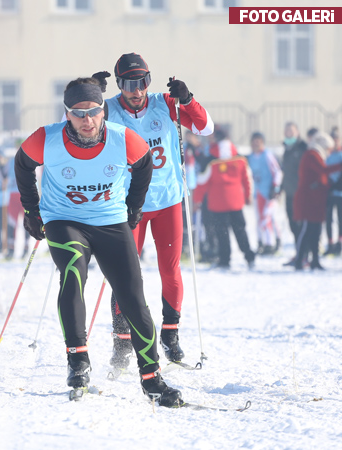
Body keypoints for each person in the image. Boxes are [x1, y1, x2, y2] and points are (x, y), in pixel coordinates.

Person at [14, 76, 182, 406]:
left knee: (133, 294)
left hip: (109, 220)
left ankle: (152, 378)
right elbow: (22, 163)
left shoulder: (123, 139)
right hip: (64, 221)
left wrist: (134, 205)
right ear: (67, 114)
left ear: (103, 110)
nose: (87, 120)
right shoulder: (47, 139)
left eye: (93, 111)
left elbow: (145, 163)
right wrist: (32, 209)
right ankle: (78, 361)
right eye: (78, 113)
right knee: (74, 272)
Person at [94, 53, 214, 366]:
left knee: (170, 270)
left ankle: (170, 334)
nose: (138, 90)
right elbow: (78, 132)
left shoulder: (166, 104)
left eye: (144, 82)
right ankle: (122, 344)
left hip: (167, 201)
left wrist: (187, 99)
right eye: (131, 84)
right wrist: (89, 98)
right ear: (120, 85)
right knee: (124, 276)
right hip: (128, 205)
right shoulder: (109, 110)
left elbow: (205, 128)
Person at [192, 128, 255, 269]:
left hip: (218, 203)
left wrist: (197, 200)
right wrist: (248, 195)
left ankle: (224, 260)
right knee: (241, 231)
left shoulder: (210, 160)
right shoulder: (239, 158)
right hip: (236, 201)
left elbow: (202, 182)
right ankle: (249, 257)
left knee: (222, 233)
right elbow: (247, 178)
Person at [291, 131, 342, 270]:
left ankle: (315, 260)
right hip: (309, 200)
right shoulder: (312, 155)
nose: (330, 152)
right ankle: (299, 259)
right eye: (329, 149)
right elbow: (322, 170)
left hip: (316, 199)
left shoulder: (315, 155)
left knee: (316, 231)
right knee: (307, 229)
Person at [246, 132, 283, 255]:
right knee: (259, 219)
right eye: (254, 142)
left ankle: (272, 243)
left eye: (258, 142)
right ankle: (261, 242)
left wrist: (275, 187)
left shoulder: (267, 155)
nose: (256, 144)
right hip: (258, 193)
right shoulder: (251, 157)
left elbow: (277, 172)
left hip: (269, 193)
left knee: (268, 218)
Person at [281, 122, 308, 259]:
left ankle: (303, 254)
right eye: (287, 131)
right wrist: (280, 188)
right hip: (289, 192)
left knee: (301, 225)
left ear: (297, 132)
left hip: (300, 193)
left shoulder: (303, 148)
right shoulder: (287, 148)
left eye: (291, 131)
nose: (289, 133)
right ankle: (299, 252)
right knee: (292, 225)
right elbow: (286, 172)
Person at [324, 127, 342, 256]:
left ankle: (339, 244)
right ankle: (330, 243)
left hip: (340, 193)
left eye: (337, 139)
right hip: (328, 193)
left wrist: (337, 185)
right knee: (328, 219)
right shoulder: (326, 155)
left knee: (340, 219)